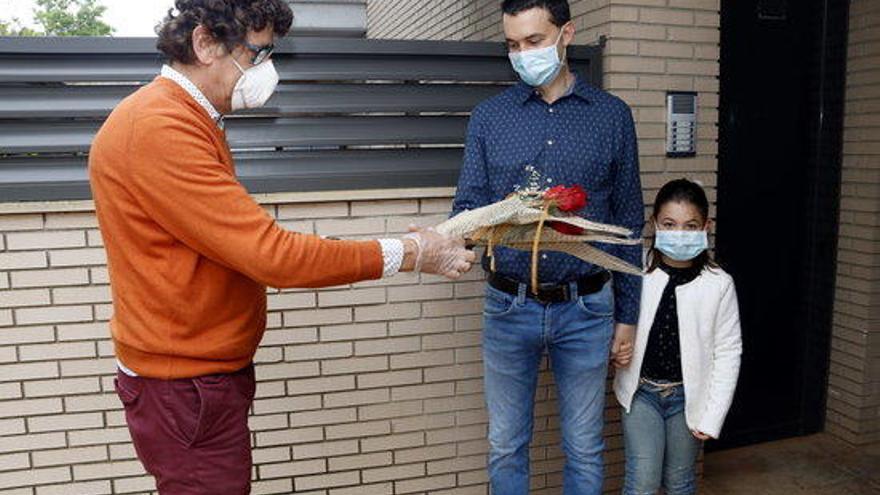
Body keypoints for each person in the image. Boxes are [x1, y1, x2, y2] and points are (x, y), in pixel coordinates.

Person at [88, 1, 474, 493]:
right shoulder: (159, 127)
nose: (266, 70)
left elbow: (234, 245)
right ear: (205, 43)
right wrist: (410, 252)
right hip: (184, 386)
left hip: (196, 380)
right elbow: (273, 256)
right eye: (258, 52)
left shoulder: (185, 117)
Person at [450, 0, 644, 492]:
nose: (523, 54)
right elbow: (469, 202)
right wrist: (455, 238)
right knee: (505, 443)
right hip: (507, 303)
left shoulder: (612, 117)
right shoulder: (489, 118)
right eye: (513, 45)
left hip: (587, 306)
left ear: (567, 34)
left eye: (534, 41)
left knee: (583, 445)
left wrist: (627, 316)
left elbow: (627, 220)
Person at [613, 178, 742, 495]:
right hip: (641, 394)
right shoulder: (636, 272)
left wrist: (713, 415)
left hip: (688, 398)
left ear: (706, 226)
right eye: (670, 224)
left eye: (690, 225)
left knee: (680, 482)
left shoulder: (719, 284)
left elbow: (728, 352)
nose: (679, 233)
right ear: (654, 223)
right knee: (642, 481)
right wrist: (613, 349)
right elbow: (612, 320)